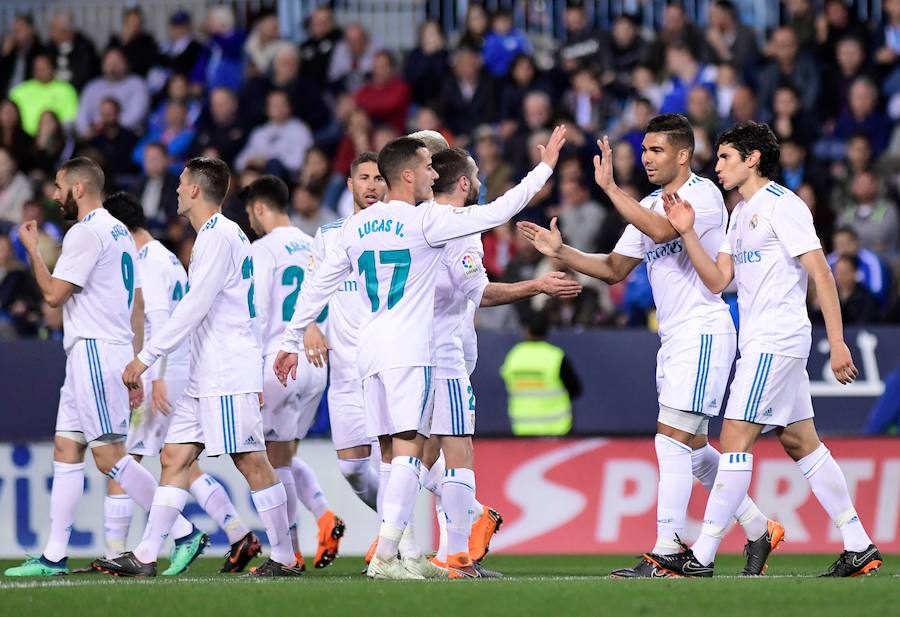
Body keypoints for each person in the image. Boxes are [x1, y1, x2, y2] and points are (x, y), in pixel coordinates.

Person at [274, 127, 567, 579]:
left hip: (365, 352)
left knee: (391, 454)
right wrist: (544, 167)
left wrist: (290, 341)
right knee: (413, 449)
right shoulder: (425, 221)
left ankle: (401, 553)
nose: (435, 171)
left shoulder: (352, 226)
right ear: (409, 175)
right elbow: (498, 211)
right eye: (428, 166)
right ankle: (388, 554)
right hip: (412, 349)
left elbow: (317, 289)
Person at [517, 114, 778, 578]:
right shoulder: (650, 203)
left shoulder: (702, 194)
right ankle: (759, 528)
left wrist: (612, 190)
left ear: (682, 154)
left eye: (655, 150)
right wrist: (562, 252)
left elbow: (663, 232)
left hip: (704, 331)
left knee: (669, 438)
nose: (646, 158)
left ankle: (668, 549)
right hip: (673, 337)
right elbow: (616, 267)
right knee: (694, 451)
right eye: (643, 150)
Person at [648, 121, 882, 578]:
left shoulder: (783, 206)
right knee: (801, 444)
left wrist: (836, 343)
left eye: (724, 158)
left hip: (776, 340)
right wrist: (688, 233)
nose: (716, 167)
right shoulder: (739, 214)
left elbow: (823, 273)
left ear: (752, 159)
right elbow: (718, 282)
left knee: (734, 439)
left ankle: (702, 556)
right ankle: (859, 545)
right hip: (762, 341)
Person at [97, 157, 301, 577]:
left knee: (250, 461)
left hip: (225, 371)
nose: (176, 189)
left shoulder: (219, 236)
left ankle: (284, 557)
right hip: (205, 372)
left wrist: (145, 358)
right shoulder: (219, 235)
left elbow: (193, 307)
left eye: (181, 182)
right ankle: (148, 554)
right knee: (174, 456)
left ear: (195, 190)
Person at [4, 158, 184, 577]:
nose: (53, 194)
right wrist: (134, 361)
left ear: (79, 189)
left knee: (109, 458)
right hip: (99, 350)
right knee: (67, 449)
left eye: (58, 186)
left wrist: (31, 250)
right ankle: (54, 556)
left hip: (95, 353)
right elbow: (135, 303)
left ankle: (183, 530)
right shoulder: (120, 231)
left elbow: (52, 295)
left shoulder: (85, 232)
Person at [426, 147, 581, 577]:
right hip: (443, 355)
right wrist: (538, 285)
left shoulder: (408, 222)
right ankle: (456, 548)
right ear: (461, 183)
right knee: (452, 449)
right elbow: (483, 290)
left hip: (403, 357)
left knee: (410, 456)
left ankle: (404, 549)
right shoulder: (458, 224)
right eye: (475, 174)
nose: (481, 180)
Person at [242, 175, 342, 571]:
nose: (250, 219)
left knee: (269, 460)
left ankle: (289, 553)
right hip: (317, 361)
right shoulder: (315, 243)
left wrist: (252, 372)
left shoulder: (262, 249)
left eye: (251, 212)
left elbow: (259, 312)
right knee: (285, 453)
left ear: (261, 208)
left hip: (279, 359)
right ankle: (323, 516)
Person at [500, 311, 581, 436]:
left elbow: (507, 381)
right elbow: (575, 390)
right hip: (557, 427)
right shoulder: (556, 356)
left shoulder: (514, 356)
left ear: (527, 331)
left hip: (522, 427)